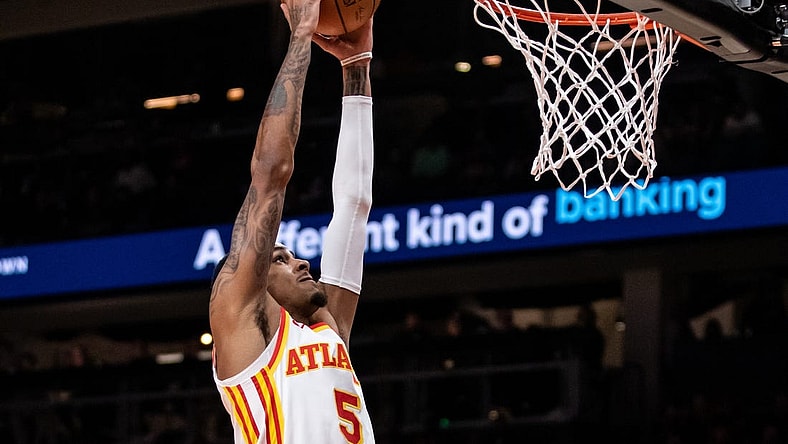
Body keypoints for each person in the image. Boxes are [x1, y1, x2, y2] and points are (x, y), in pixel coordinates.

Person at [208, 1, 376, 442]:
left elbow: (354, 208)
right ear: (253, 280)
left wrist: (356, 69)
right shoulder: (243, 325)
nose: (302, 262)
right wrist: (300, 36)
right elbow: (270, 176)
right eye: (280, 258)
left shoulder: (328, 328)